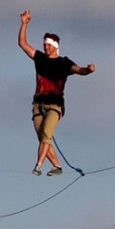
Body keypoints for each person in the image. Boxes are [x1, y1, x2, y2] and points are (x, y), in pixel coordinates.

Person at [17, 10, 95, 176]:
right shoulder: (39, 58)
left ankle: (38, 165)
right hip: (38, 104)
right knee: (43, 138)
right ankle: (57, 166)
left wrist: (88, 70)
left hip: (55, 105)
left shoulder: (63, 63)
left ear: (55, 46)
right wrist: (24, 24)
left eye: (48, 45)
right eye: (44, 44)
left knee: (46, 135)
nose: (45, 47)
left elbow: (78, 70)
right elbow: (23, 44)